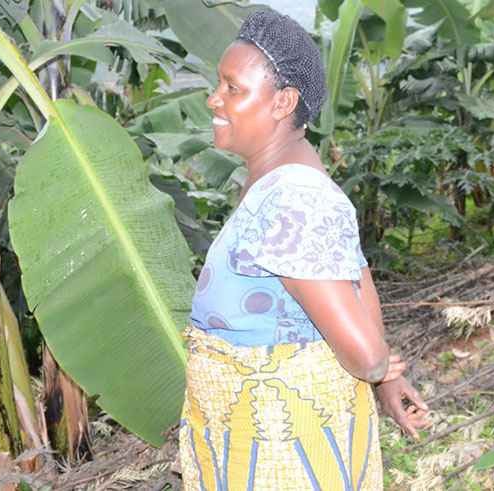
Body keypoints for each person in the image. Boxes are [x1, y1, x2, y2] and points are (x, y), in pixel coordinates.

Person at [178, 9, 430, 490]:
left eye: (233, 88)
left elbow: (363, 351)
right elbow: (355, 277)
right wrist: (384, 378)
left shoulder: (293, 198)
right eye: (219, 84)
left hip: (282, 459)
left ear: (283, 102)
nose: (215, 99)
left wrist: (379, 368)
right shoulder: (290, 184)